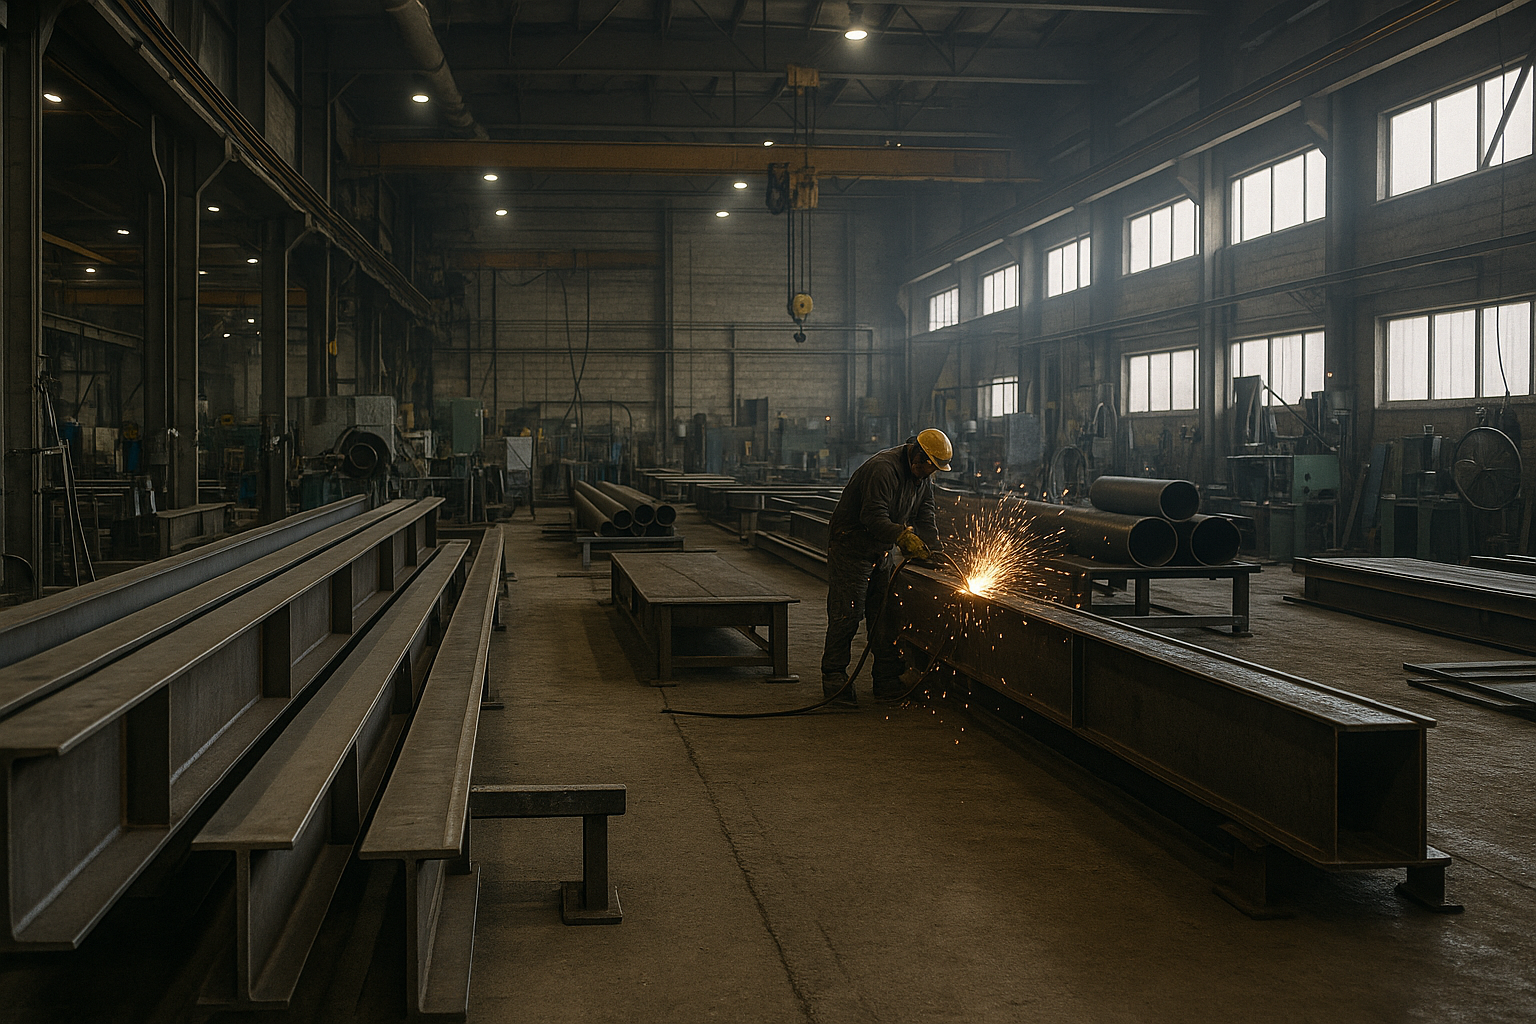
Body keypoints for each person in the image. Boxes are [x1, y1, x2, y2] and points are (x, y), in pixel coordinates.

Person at [820, 428, 951, 705]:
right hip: (851, 548)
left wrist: (935, 551)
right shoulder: (884, 469)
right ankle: (834, 679)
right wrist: (901, 536)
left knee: (885, 614)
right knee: (848, 614)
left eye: (931, 470)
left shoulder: (923, 478)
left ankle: (886, 678)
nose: (926, 472)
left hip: (881, 551)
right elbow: (872, 516)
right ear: (916, 451)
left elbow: (926, 517)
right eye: (925, 465)